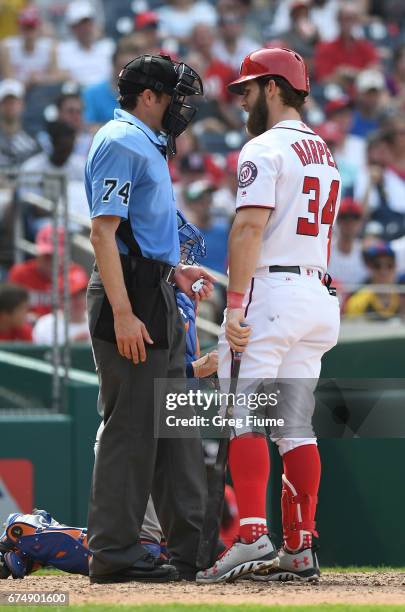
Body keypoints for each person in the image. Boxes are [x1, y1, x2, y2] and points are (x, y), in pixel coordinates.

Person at [196, 47, 341, 584]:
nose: (243, 99)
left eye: (249, 88)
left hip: (272, 289)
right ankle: (300, 545)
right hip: (317, 295)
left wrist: (233, 309)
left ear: (274, 87)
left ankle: (252, 536)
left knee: (245, 419)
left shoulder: (264, 145)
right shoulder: (324, 151)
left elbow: (248, 228)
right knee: (296, 428)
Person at [85, 53, 215, 584]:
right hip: (128, 296)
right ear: (149, 96)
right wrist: (122, 311)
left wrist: (171, 272)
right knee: (133, 429)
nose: (181, 108)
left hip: (154, 286)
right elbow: (102, 231)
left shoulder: (145, 142)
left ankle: (189, 551)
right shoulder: (119, 140)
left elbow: (141, 230)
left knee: (176, 426)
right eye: (174, 97)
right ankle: (115, 552)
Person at [8, 223, 87, 321]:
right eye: (46, 256)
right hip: (29, 329)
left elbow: (80, 309)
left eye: (55, 257)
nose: (50, 261)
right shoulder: (21, 273)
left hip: (63, 327)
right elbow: (11, 312)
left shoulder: (75, 273)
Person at [57, 0, 114, 87]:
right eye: (80, 25)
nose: (85, 28)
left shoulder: (108, 47)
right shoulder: (62, 51)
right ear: (72, 28)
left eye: (88, 23)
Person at [32, 266, 89, 345]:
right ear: (59, 299)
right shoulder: (45, 325)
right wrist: (69, 346)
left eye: (82, 294)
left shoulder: (100, 323)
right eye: (71, 296)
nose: (78, 301)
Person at [345, 242, 400, 320]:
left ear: (395, 267)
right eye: (377, 266)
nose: (383, 271)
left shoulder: (402, 298)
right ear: (369, 268)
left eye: (389, 265)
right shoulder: (357, 302)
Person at [0, 79, 40, 168]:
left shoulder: (33, 138)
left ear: (22, 104)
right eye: (5, 102)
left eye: (14, 102)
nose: (10, 106)